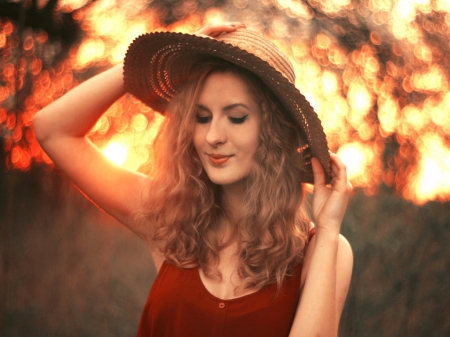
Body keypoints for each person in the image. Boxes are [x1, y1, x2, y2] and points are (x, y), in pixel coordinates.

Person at [33, 22, 353, 336]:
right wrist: (138, 69)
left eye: (236, 117)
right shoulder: (168, 217)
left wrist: (327, 230)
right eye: (202, 118)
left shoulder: (323, 249)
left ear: (273, 132)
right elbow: (52, 129)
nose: (212, 136)